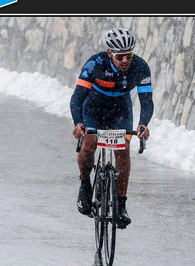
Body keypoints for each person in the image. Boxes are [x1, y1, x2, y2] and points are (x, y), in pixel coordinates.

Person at [70, 27, 154, 229]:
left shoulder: (140, 67)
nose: (125, 61)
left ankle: (121, 205)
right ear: (110, 54)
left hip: (120, 110)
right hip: (93, 107)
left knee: (123, 151)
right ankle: (84, 185)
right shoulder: (95, 64)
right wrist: (78, 123)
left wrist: (143, 124)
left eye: (128, 55)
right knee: (89, 144)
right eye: (119, 57)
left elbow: (147, 101)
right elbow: (78, 97)